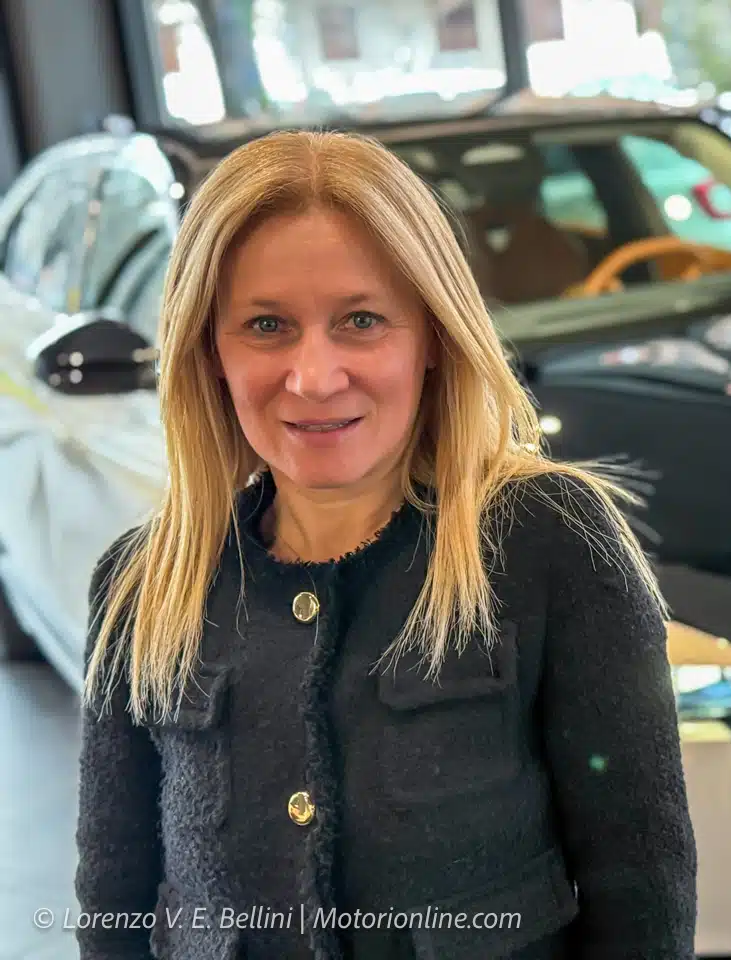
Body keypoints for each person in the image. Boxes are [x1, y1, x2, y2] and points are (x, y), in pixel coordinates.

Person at [74, 129, 698, 960]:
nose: (314, 377)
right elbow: (112, 899)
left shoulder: (548, 542)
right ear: (208, 350)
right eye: (266, 325)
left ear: (432, 334)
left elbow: (640, 887)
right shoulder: (141, 585)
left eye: (361, 320)